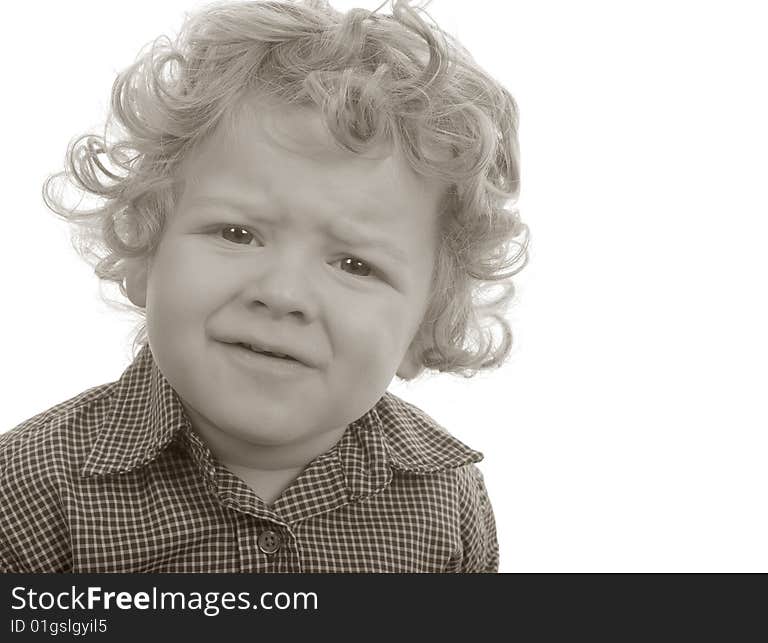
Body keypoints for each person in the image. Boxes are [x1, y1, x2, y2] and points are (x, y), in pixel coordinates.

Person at [0, 0, 527, 572]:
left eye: (354, 265)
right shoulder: (32, 488)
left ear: (425, 328)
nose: (282, 293)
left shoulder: (447, 501)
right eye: (237, 233)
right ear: (144, 248)